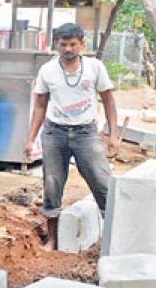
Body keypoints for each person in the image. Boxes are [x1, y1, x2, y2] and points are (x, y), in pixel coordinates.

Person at [24, 23, 118, 249]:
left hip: (86, 132)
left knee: (102, 180)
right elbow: (40, 106)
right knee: (52, 183)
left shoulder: (95, 68)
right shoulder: (47, 70)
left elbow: (108, 100)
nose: (68, 49)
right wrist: (30, 139)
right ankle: (53, 238)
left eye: (73, 44)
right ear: (56, 44)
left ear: (82, 45)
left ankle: (113, 236)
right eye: (63, 44)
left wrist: (113, 135)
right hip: (55, 133)